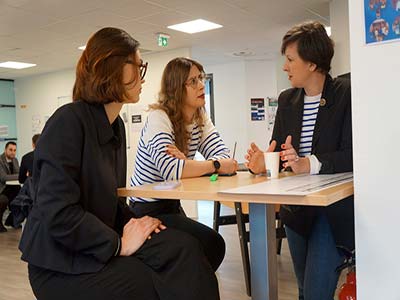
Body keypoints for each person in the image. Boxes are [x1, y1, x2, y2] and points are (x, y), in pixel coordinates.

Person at [19, 27, 220, 300]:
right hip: (59, 263)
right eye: (137, 65)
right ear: (111, 68)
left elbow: (111, 203)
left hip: (96, 241)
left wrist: (141, 222)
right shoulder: (68, 121)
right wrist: (118, 244)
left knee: (190, 246)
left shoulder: (115, 126)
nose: (142, 74)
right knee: (147, 283)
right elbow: (58, 213)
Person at [245, 21, 354, 300]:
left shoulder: (346, 94)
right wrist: (263, 163)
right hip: (296, 212)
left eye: (291, 59)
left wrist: (311, 163)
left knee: (317, 293)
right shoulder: (287, 100)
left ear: (313, 63)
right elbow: (281, 154)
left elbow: (352, 155)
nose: (285, 66)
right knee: (305, 291)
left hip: (331, 212)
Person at [129, 57, 237, 271]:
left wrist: (188, 164)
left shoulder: (199, 116)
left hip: (171, 205)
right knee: (211, 245)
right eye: (193, 81)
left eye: (201, 78)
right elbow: (172, 171)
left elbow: (227, 161)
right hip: (146, 209)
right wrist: (211, 166)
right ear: (177, 88)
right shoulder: (159, 118)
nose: (201, 85)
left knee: (210, 246)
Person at [0, 141, 20, 232]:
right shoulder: (0, 161)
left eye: (15, 150)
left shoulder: (15, 160)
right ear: (5, 150)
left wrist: (20, 175)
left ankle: (11, 220)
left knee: (22, 196)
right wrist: (20, 176)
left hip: (12, 188)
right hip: (2, 189)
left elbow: (19, 173)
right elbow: (4, 177)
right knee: (4, 199)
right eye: (10, 150)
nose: (13, 152)